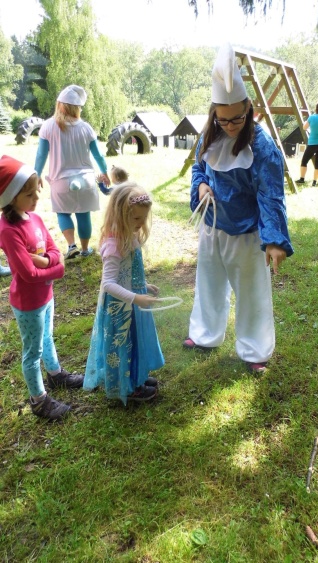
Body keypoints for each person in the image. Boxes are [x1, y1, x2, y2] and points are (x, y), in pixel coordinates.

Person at [183, 43, 294, 373]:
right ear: (214, 113)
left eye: (237, 118)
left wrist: (273, 239)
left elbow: (271, 195)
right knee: (208, 282)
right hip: (212, 225)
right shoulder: (211, 134)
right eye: (223, 119)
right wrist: (201, 185)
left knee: (251, 290)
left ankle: (255, 349)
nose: (230, 126)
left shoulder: (263, 146)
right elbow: (199, 168)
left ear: (249, 108)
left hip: (245, 231)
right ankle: (205, 334)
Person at [0, 155, 84, 421]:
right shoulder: (8, 229)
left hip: (46, 295)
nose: (37, 198)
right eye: (29, 194)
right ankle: (39, 401)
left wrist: (46, 261)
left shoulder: (34, 218)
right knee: (32, 352)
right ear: (11, 198)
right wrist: (56, 269)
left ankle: (56, 375)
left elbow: (54, 250)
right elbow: (27, 274)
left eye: (37, 191)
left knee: (47, 338)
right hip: (28, 303)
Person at [84, 182, 164, 404]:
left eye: (144, 218)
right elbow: (108, 284)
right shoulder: (114, 245)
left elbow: (126, 273)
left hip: (130, 302)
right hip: (119, 308)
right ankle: (125, 388)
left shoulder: (130, 235)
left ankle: (135, 378)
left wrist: (143, 286)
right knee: (122, 348)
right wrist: (136, 297)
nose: (141, 223)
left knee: (133, 344)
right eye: (136, 218)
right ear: (121, 215)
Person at [34, 84, 111, 259]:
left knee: (63, 213)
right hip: (86, 180)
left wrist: (37, 174)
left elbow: (41, 155)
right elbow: (98, 155)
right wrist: (105, 171)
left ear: (60, 105)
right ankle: (85, 249)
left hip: (61, 181)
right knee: (84, 214)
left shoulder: (48, 126)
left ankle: (71, 246)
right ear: (77, 108)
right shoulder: (86, 128)